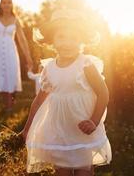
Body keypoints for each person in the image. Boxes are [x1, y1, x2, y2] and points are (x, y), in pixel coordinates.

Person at [20, 9, 112, 175]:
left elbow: (103, 93)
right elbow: (38, 101)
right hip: (60, 130)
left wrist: (94, 120)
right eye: (61, 37)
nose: (67, 43)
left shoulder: (85, 65)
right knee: (62, 171)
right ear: (52, 41)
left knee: (84, 170)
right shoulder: (49, 68)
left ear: (82, 41)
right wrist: (27, 128)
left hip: (83, 129)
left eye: (74, 38)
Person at [0, 0, 33, 112]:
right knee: (1, 75)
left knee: (12, 74)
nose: (6, 5)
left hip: (11, 51)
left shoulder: (16, 20)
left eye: (9, 2)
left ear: (12, 5)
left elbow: (22, 40)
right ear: (0, 5)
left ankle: (11, 98)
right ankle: (8, 104)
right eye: (4, 2)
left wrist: (28, 57)